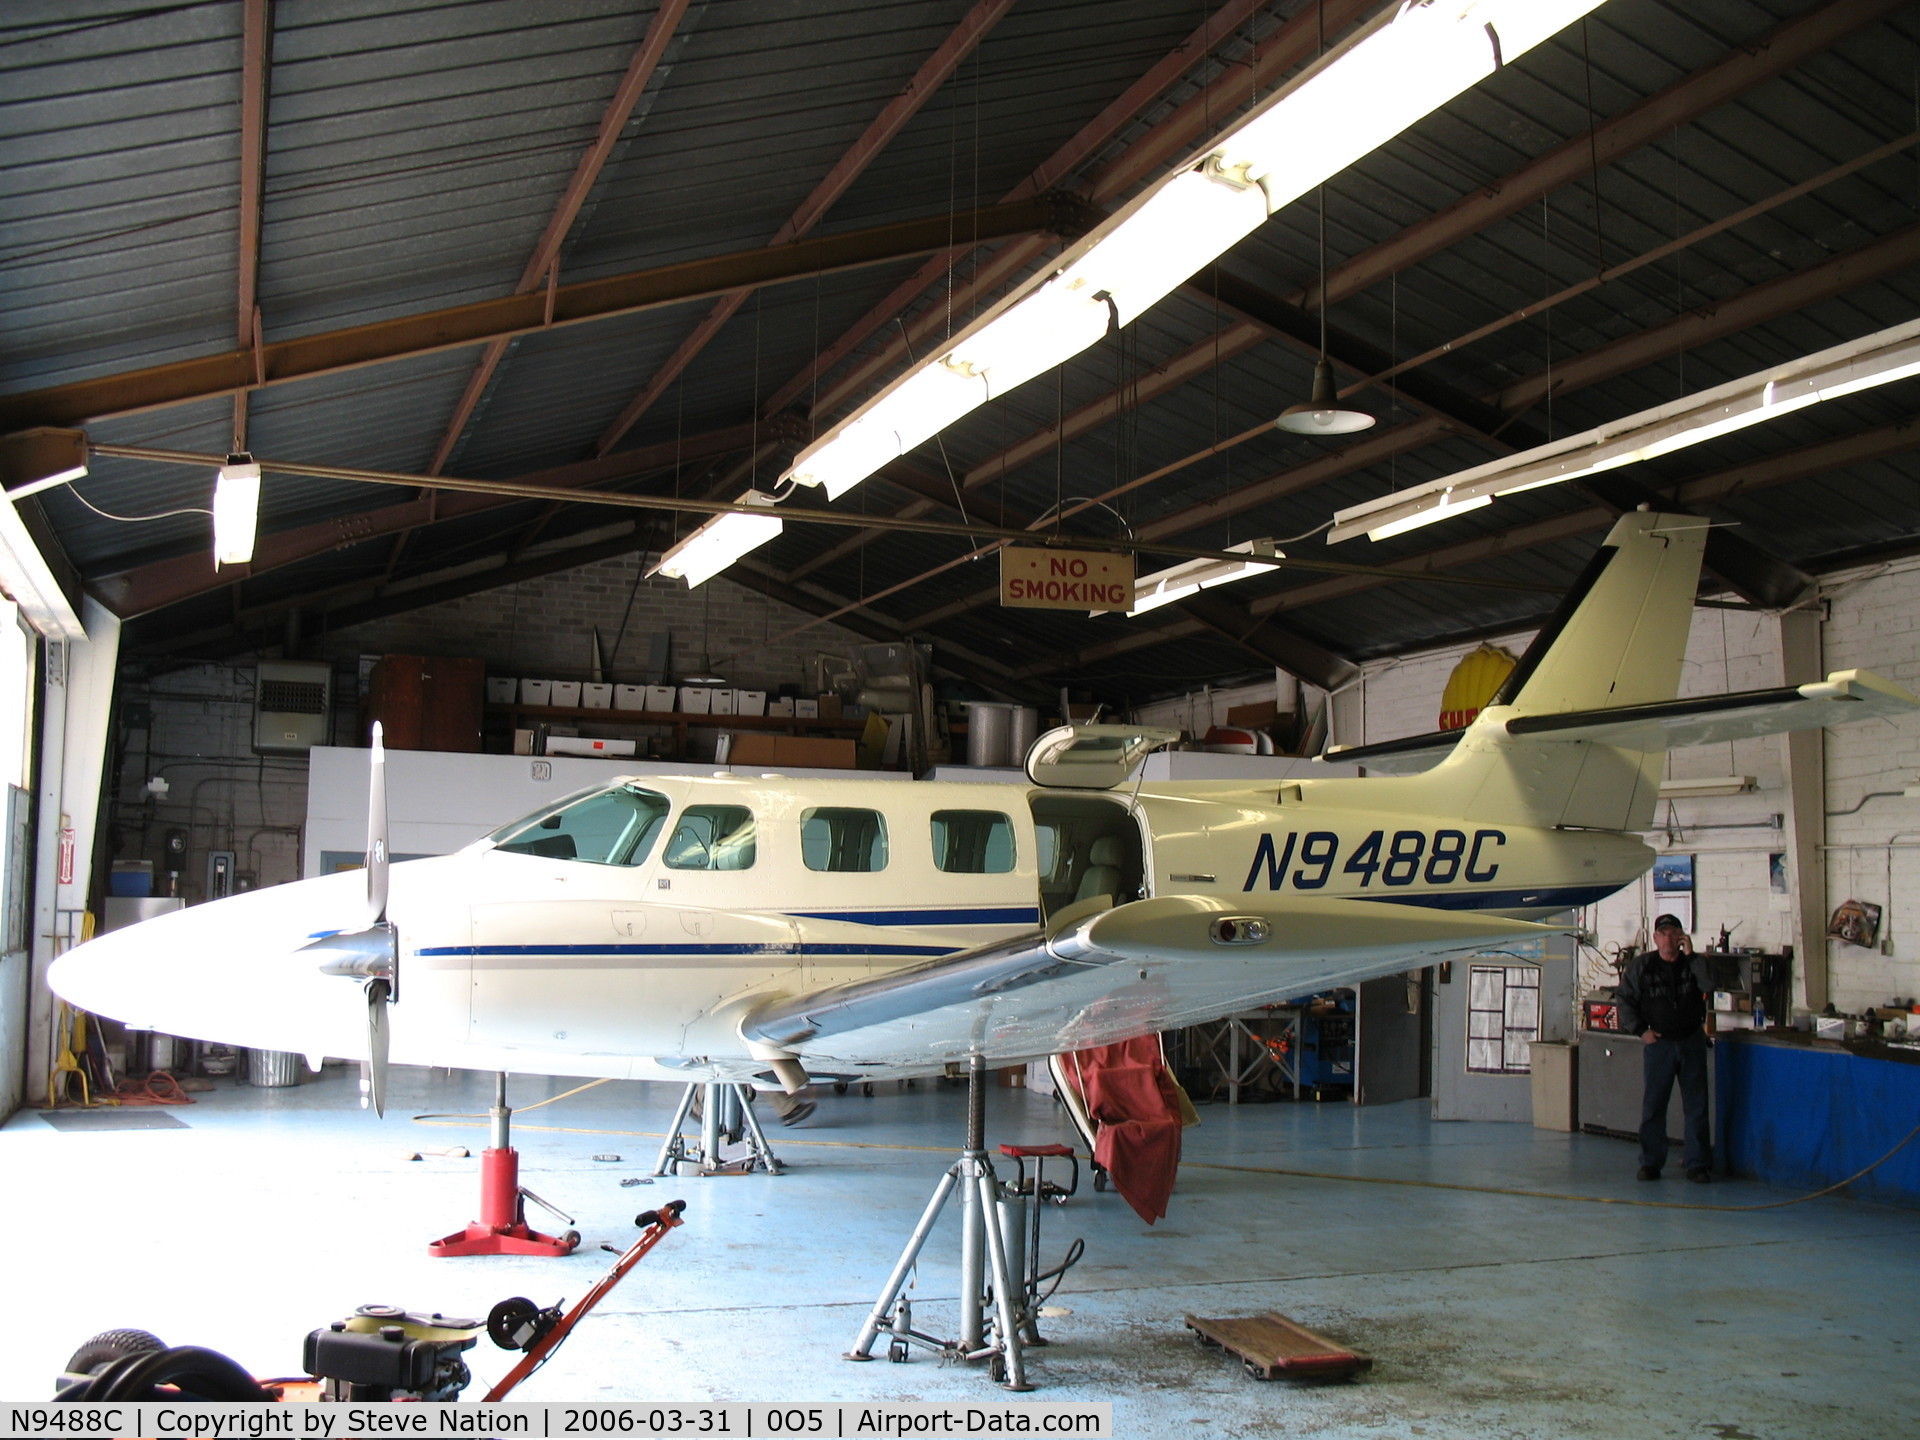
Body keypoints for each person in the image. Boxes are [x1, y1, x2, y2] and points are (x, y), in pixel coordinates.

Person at [1615, 913, 1715, 1182]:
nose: (1669, 938)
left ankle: (1697, 1164)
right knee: (1654, 1105)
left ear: (1681, 938)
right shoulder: (1642, 966)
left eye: (1674, 933)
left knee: (1696, 1105)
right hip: (1660, 1045)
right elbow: (1624, 998)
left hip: (1691, 1040)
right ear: (1656, 938)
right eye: (1664, 933)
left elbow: (1708, 986)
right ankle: (1650, 1163)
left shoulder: (1693, 964)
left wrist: (1693, 956)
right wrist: (1640, 1030)